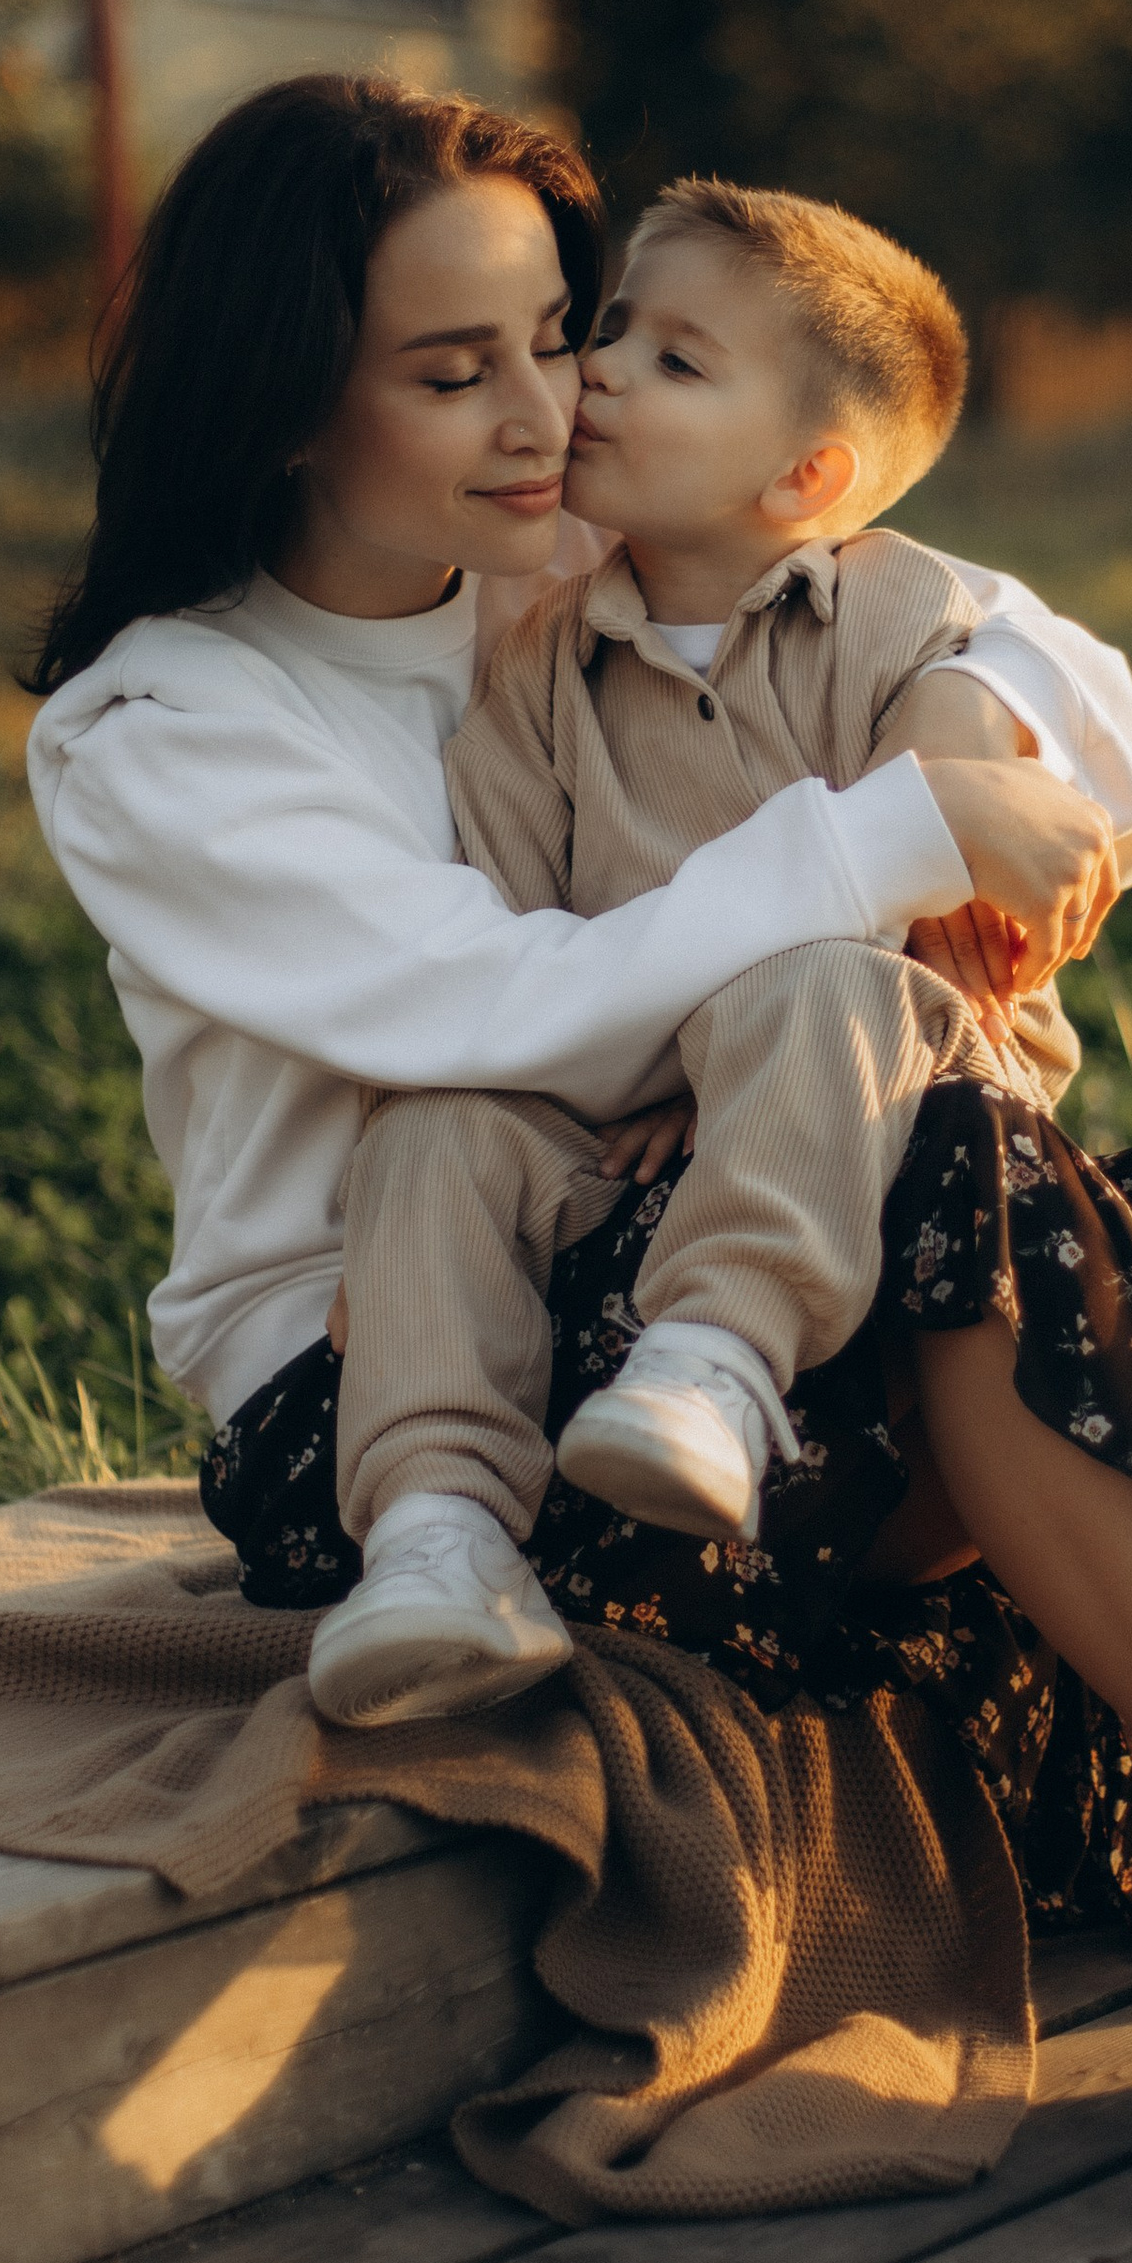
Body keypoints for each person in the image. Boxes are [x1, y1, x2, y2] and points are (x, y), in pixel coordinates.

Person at [28, 72, 1132, 2214]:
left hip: (714, 1312)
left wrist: (970, 730)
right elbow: (494, 1014)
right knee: (949, 1161)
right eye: (449, 368)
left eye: (562, 335)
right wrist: (893, 827)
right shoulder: (158, 725)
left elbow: (1044, 671)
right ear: (289, 393)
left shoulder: (578, 563)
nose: (540, 408)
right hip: (393, 1399)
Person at [313, 178, 1077, 1729]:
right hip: (621, 1141)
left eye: (674, 361)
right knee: (437, 1125)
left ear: (807, 476)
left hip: (890, 1131)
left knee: (825, 980)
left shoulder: (906, 623)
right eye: (613, 332)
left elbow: (954, 973)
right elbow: (517, 970)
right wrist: (644, 1070)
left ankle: (716, 1361)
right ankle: (438, 1532)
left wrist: (730, 1053)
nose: (595, 373)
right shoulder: (541, 668)